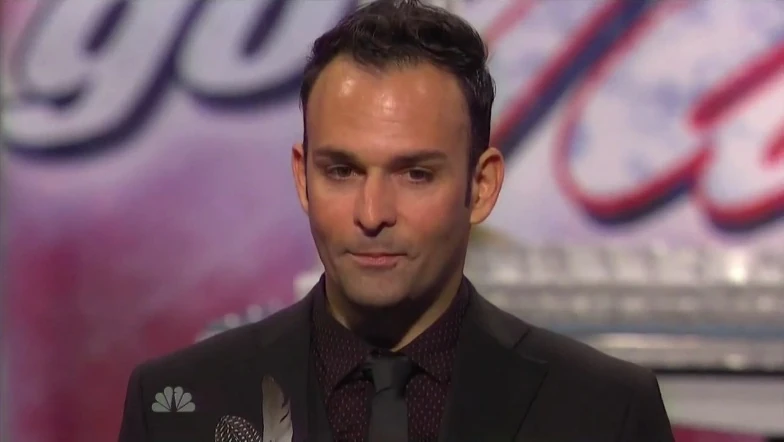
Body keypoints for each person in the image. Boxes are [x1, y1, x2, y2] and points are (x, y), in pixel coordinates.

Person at [118, 1, 675, 441]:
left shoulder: (605, 412)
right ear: (302, 178)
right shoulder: (179, 405)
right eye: (342, 171)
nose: (372, 214)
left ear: (481, 187)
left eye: (415, 174)